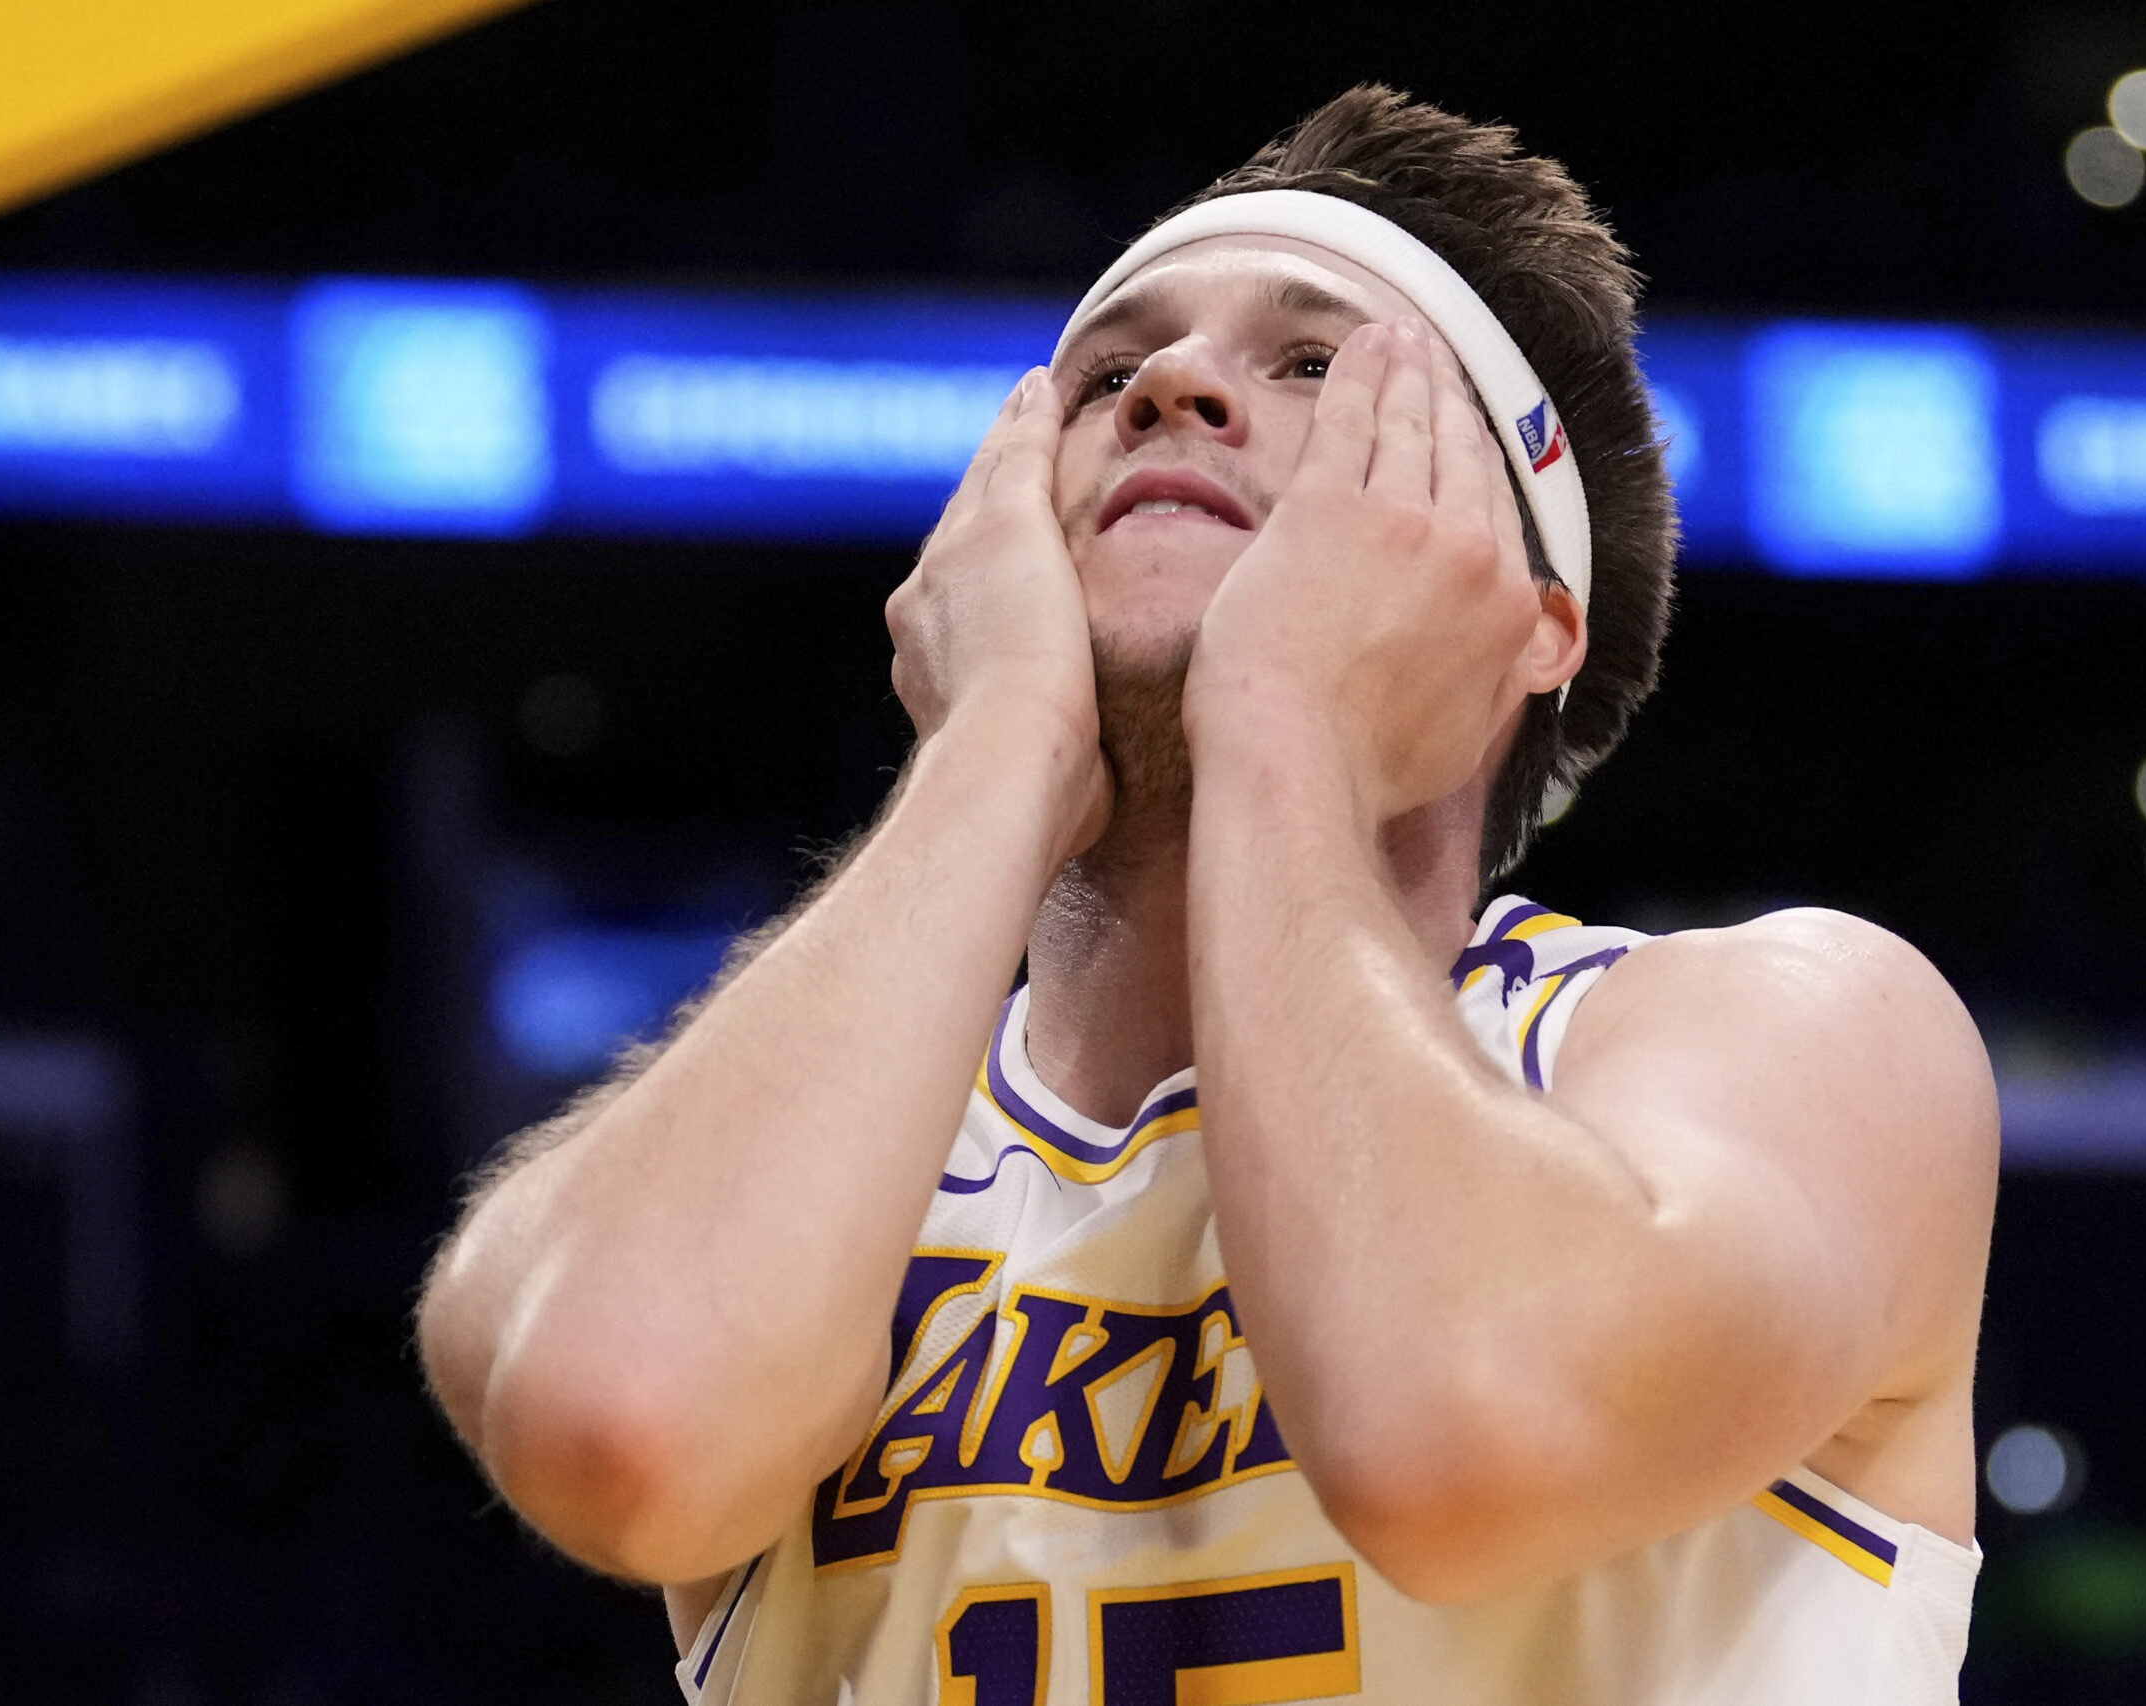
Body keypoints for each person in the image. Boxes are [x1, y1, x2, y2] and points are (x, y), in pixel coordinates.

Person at [416, 85, 1998, 1705]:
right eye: (1108, 376)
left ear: (1533, 610)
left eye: (1313, 365)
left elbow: (1457, 1429)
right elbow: (621, 1420)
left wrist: (1281, 720)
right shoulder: (843, 1130)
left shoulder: (1788, 1037)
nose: (1172, 385)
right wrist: (1000, 746)